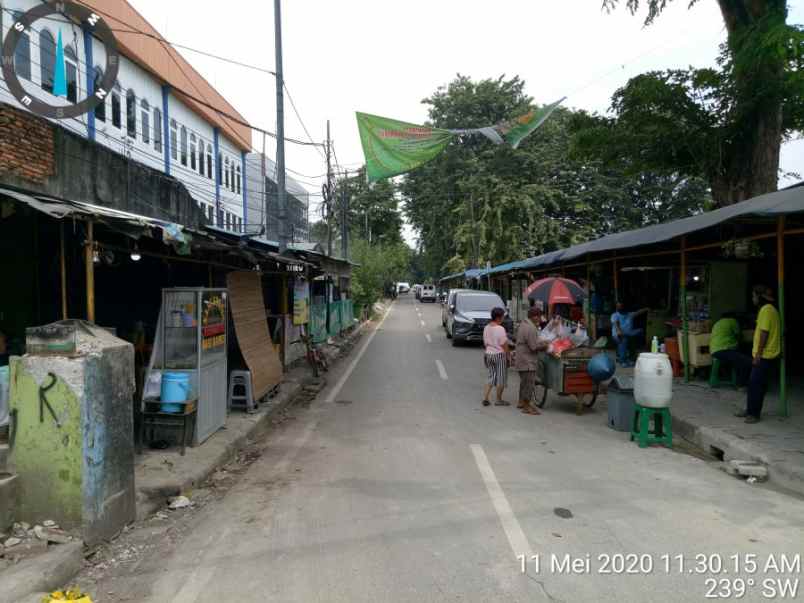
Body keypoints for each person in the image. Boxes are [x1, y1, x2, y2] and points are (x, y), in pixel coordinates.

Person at [735, 285, 781, 423]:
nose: (753, 298)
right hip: (765, 354)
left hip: (765, 355)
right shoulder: (769, 309)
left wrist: (758, 354)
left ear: (759, 297)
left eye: (754, 296)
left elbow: (764, 333)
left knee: (756, 384)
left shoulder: (766, 310)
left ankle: (753, 414)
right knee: (755, 384)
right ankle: (750, 410)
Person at [515, 306, 550, 415]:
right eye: (539, 316)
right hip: (527, 360)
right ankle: (526, 406)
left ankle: (521, 402)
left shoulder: (524, 324)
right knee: (529, 383)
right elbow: (534, 347)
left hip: (521, 358)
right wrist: (545, 346)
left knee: (524, 382)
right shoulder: (530, 328)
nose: (540, 319)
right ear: (534, 317)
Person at [710, 312, 751, 386]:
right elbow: (739, 337)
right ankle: (741, 384)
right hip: (724, 350)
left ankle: (733, 379)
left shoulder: (717, 323)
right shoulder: (732, 321)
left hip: (714, 350)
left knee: (737, 357)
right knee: (746, 361)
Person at [482, 307, 511, 407]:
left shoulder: (486, 327)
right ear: (498, 318)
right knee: (501, 378)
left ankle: (485, 398)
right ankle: (499, 400)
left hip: (488, 354)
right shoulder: (500, 328)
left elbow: (485, 343)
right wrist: (508, 356)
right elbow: (504, 344)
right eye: (503, 317)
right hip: (499, 355)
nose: (503, 319)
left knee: (491, 376)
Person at [610, 302, 649, 366]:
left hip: (628, 333)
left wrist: (646, 309)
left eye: (620, 306)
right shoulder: (614, 315)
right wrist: (619, 331)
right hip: (617, 334)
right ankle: (622, 360)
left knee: (639, 332)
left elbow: (638, 312)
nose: (619, 308)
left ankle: (632, 358)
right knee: (623, 340)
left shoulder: (630, 314)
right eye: (618, 306)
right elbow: (616, 324)